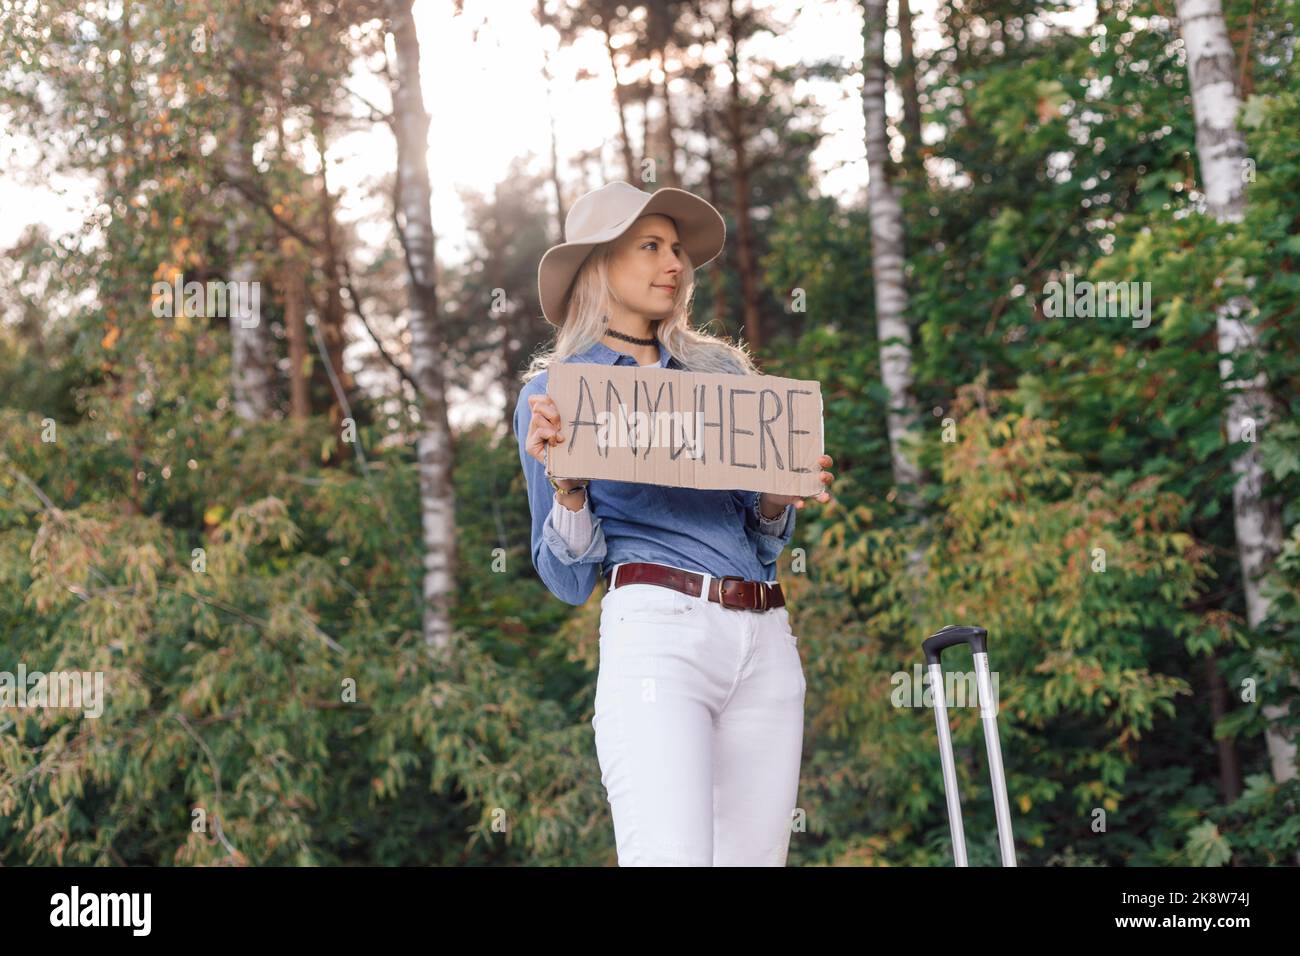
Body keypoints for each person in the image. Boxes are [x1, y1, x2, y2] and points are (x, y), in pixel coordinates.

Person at [512, 181, 834, 866]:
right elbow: (567, 582)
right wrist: (569, 488)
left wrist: (779, 497)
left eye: (678, 250)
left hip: (766, 637)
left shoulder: (725, 376)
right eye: (651, 246)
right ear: (599, 263)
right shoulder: (554, 394)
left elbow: (763, 538)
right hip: (659, 633)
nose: (675, 264)